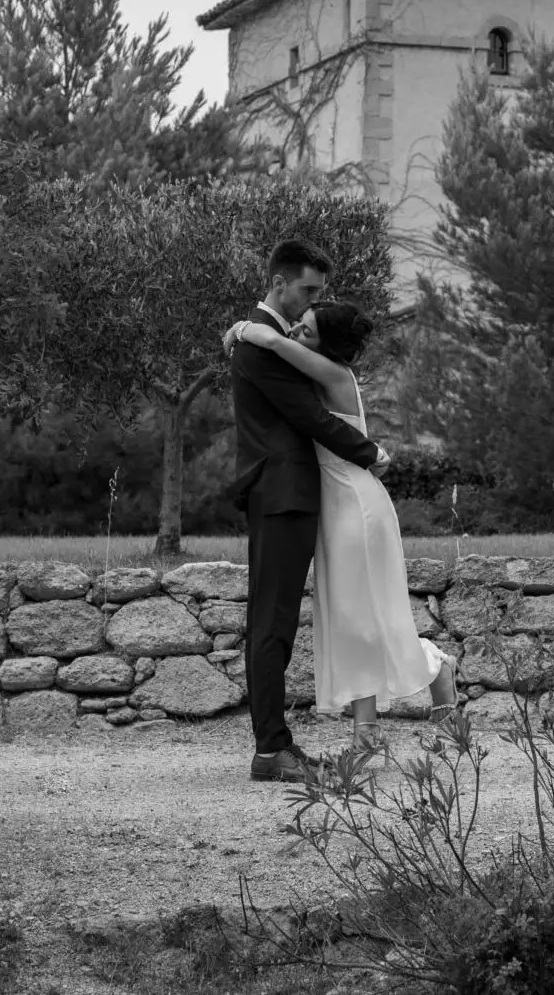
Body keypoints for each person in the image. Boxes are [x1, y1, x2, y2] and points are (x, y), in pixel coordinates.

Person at [226, 302, 459, 752]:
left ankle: (432, 669)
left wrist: (242, 328)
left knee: (361, 618)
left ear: (327, 347)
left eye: (309, 332)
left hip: (354, 505)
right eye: (300, 324)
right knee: (350, 620)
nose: (297, 332)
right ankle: (368, 730)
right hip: (332, 508)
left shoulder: (334, 374)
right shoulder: (314, 370)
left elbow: (272, 341)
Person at [227, 239, 386, 784]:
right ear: (279, 283)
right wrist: (371, 452)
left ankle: (277, 745)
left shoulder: (263, 338)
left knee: (275, 623)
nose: (313, 300)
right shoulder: (258, 345)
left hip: (290, 494)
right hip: (282, 493)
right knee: (271, 623)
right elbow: (307, 416)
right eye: (308, 290)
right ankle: (272, 750)